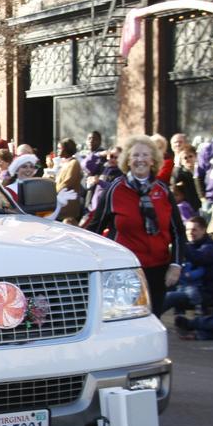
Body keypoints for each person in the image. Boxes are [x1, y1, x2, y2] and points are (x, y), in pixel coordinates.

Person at [86, 134, 184, 315]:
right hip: (124, 271)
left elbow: (178, 231)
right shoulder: (115, 189)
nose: (140, 160)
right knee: (126, 320)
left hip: (158, 270)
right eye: (135, 155)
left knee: (154, 319)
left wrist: (176, 265)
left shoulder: (162, 191)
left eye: (145, 155)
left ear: (153, 160)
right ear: (127, 161)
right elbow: (94, 229)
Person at [162, 216, 213, 316]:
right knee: (158, 290)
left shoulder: (212, 247)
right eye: (187, 229)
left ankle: (146, 323)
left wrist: (181, 244)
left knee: (169, 297)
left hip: (204, 292)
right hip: (188, 287)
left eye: (194, 230)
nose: (190, 233)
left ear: (203, 230)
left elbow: (199, 257)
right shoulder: (192, 245)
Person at [4, 154, 77, 218]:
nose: (28, 170)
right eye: (24, 166)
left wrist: (59, 203)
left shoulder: (39, 190)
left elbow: (46, 219)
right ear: (16, 170)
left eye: (31, 167)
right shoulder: (8, 191)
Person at [196, 116, 213, 236]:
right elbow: (198, 174)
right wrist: (202, 197)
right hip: (212, 199)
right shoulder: (208, 148)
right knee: (208, 234)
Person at [171, 146, 201, 216]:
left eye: (190, 156)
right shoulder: (182, 173)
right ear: (181, 161)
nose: (188, 159)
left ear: (196, 157)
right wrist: (177, 165)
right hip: (192, 206)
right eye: (185, 158)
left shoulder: (202, 170)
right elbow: (173, 182)